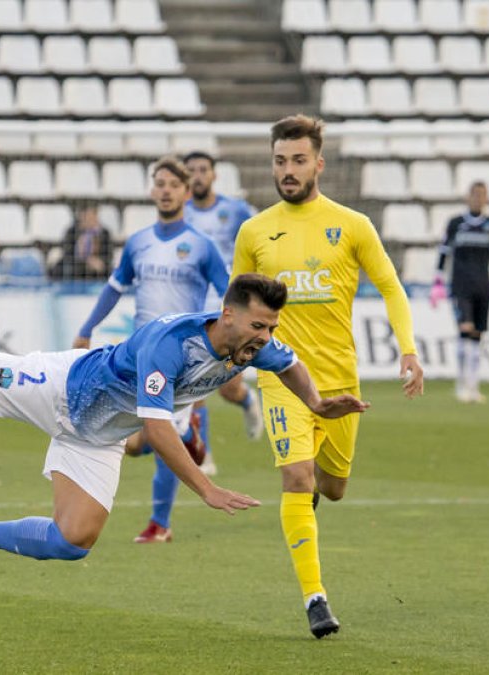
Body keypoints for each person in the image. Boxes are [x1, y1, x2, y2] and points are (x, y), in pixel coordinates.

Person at [0, 209, 369, 597]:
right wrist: (207, 490)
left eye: (271, 327)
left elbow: (289, 364)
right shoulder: (169, 343)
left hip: (99, 436)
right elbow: (156, 429)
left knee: (73, 541)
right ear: (227, 314)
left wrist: (316, 401)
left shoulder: (255, 343)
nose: (266, 337)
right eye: (259, 325)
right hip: (58, 388)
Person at [232, 114, 425, 639]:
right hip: (280, 373)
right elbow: (236, 305)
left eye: (297, 160)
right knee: (295, 477)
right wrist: (231, 358)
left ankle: (312, 499)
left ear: (318, 163)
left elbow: (390, 286)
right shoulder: (254, 231)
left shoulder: (353, 225)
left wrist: (407, 349)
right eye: (279, 161)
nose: (287, 170)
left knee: (332, 488)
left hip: (339, 377)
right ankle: (315, 598)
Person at [70, 155, 229, 545]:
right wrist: (87, 328)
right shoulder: (138, 242)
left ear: (187, 192)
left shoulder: (202, 246)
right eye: (159, 183)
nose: (165, 190)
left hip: (183, 356)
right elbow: (114, 287)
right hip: (139, 351)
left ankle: (159, 523)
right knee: (135, 441)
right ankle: (191, 435)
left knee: (163, 440)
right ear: (151, 190)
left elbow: (229, 293)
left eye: (174, 185)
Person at [184, 151, 265, 444]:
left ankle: (246, 401)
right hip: (193, 308)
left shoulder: (235, 210)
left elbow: (260, 240)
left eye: (203, 169)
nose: (197, 175)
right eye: (191, 170)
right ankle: (201, 455)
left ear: (214, 175)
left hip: (229, 308)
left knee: (228, 387)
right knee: (192, 384)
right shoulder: (181, 213)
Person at [430, 181, 489, 403]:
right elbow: (444, 252)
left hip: (483, 286)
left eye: (482, 195)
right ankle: (460, 384)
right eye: (475, 194)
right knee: (464, 331)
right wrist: (438, 281)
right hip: (460, 286)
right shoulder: (456, 223)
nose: (478, 198)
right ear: (468, 197)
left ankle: (473, 386)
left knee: (477, 336)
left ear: (487, 198)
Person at [48, 206, 114, 281]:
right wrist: (85, 259)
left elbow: (109, 256)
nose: (89, 219)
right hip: (76, 266)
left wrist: (99, 262)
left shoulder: (105, 233)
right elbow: (67, 254)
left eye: (91, 216)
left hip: (97, 268)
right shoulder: (71, 232)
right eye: (86, 216)